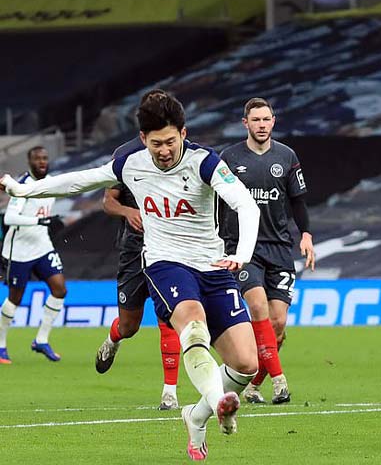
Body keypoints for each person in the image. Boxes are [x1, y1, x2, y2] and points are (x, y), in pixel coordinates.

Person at [0, 90, 261, 461]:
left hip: (214, 265)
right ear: (143, 139)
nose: (164, 150)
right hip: (165, 262)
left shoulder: (205, 162)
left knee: (247, 364)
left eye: (171, 141)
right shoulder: (130, 162)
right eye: (156, 143)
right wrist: (24, 190)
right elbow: (78, 181)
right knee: (192, 323)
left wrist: (242, 255)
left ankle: (198, 414)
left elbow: (245, 205)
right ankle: (220, 401)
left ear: (183, 134)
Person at [220, 97, 315, 404]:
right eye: (255, 120)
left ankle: (252, 385)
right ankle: (279, 381)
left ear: (274, 122)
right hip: (243, 249)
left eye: (266, 119)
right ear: (245, 123)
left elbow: (298, 201)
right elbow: (215, 201)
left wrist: (306, 235)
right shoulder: (229, 157)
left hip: (280, 247)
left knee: (278, 326)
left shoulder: (286, 156)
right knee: (258, 308)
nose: (261, 125)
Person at [95, 90, 182, 411]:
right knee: (129, 325)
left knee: (168, 319)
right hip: (133, 249)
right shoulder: (126, 154)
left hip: (169, 247)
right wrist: (128, 212)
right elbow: (108, 201)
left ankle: (169, 392)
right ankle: (113, 339)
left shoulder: (177, 152)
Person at [0, 146, 66, 363]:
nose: (42, 162)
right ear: (30, 162)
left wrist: (52, 222)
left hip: (42, 246)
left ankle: (41, 339)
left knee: (59, 289)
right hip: (19, 250)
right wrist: (40, 221)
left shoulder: (52, 182)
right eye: (37, 159)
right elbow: (10, 218)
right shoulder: (22, 186)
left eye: (45, 158)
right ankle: (0, 345)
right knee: (15, 299)